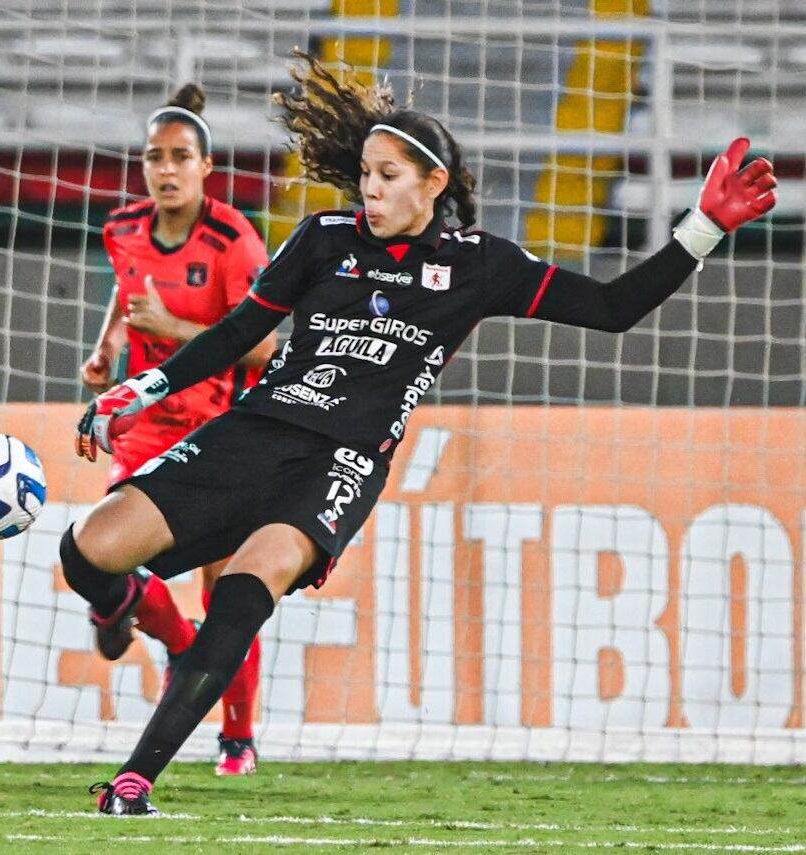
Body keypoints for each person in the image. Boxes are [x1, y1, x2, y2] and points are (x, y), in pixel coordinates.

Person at [68, 52, 777, 815]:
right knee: (86, 551)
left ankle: (135, 779)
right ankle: (134, 615)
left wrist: (703, 227)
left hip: (338, 462)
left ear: (433, 182)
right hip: (254, 431)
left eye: (387, 175)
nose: (369, 189)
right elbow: (240, 329)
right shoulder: (322, 239)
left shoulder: (478, 264)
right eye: (364, 174)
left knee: (245, 590)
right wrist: (141, 388)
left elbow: (611, 308)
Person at [81, 83, 277, 776]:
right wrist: (107, 347)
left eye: (180, 157)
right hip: (145, 425)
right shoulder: (122, 229)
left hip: (221, 429)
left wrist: (173, 327)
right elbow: (126, 290)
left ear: (205, 167)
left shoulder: (234, 241)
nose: (165, 170)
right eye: (153, 157)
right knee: (106, 553)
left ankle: (237, 738)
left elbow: (265, 348)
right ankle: (175, 640)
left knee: (231, 588)